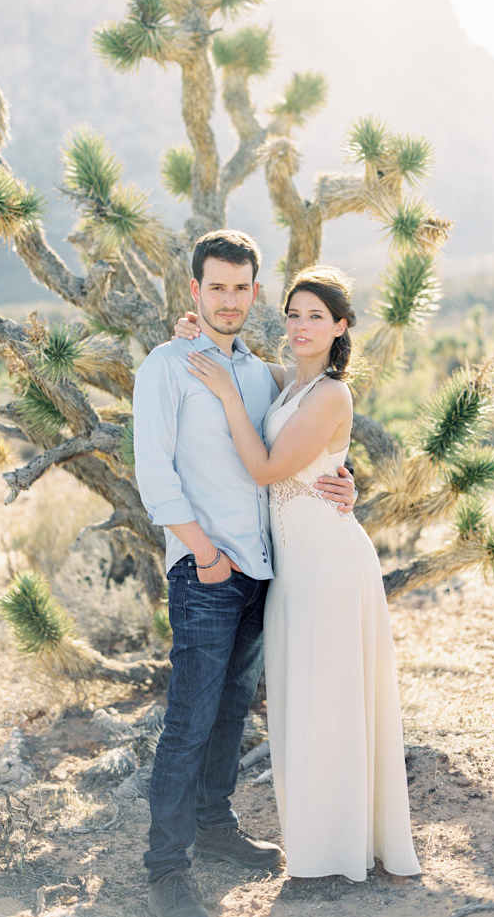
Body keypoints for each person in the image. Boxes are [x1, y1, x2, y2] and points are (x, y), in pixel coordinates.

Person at [132, 231, 356, 917]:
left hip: (260, 568)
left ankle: (214, 824)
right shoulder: (166, 366)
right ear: (195, 291)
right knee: (190, 718)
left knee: (231, 711)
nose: (228, 299)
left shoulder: (259, 375)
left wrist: (348, 480)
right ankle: (167, 865)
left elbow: (291, 448)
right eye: (216, 287)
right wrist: (201, 549)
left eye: (240, 287)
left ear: (254, 292)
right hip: (206, 568)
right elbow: (153, 473)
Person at [184, 265, 421, 882]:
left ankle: (344, 851)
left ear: (341, 327)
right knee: (307, 703)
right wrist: (198, 331)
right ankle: (324, 845)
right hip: (295, 570)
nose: (301, 325)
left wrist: (231, 400)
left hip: (330, 565)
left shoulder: (332, 394)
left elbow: (265, 469)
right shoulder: (289, 381)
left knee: (334, 701)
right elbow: (241, 364)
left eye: (317, 316)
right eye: (293, 314)